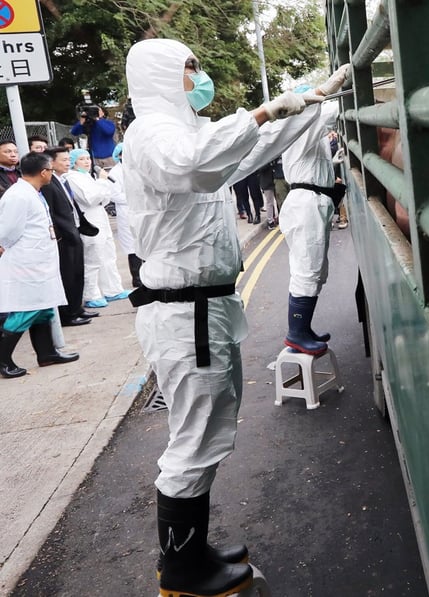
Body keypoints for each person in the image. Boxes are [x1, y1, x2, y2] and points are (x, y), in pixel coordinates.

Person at [122, 38, 348, 596]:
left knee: (211, 429)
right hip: (185, 313)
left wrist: (314, 102)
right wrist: (265, 109)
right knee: (195, 437)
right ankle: (182, 568)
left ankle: (192, 549)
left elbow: (246, 151)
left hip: (204, 308)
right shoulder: (152, 133)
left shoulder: (188, 129)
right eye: (189, 67)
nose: (199, 76)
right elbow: (197, 164)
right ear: (159, 74)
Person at [278, 76, 349, 355]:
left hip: (313, 202)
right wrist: (339, 88)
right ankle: (296, 332)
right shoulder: (299, 125)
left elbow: (311, 164)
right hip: (305, 205)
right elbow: (327, 113)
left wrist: (332, 164)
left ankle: (303, 328)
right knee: (307, 269)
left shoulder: (310, 136)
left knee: (315, 270)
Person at [0, 152, 80, 378]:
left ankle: (46, 354)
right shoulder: (18, 196)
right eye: (51, 170)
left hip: (39, 263)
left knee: (44, 308)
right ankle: (3, 360)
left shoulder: (31, 192)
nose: (51, 174)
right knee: (27, 310)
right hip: (26, 264)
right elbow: (6, 232)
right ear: (44, 172)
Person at [42, 147, 100, 326]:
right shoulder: (49, 184)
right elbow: (51, 212)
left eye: (68, 159)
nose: (67, 163)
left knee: (77, 273)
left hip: (75, 231)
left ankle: (77, 308)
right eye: (64, 160)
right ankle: (68, 314)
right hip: (64, 236)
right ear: (52, 162)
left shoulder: (63, 181)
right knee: (67, 275)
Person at [65, 149, 129, 307]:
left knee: (108, 254)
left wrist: (102, 186)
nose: (87, 162)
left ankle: (113, 289)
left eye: (88, 158)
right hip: (89, 219)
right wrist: (101, 183)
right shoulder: (72, 178)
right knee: (93, 258)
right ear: (74, 162)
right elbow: (91, 198)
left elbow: (105, 197)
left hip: (101, 216)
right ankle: (91, 294)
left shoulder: (88, 176)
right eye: (82, 159)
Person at [107, 143, 143, 287]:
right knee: (132, 247)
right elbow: (115, 194)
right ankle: (137, 277)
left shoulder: (138, 167)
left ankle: (147, 275)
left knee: (145, 242)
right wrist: (135, 198)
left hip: (142, 210)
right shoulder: (115, 172)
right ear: (119, 155)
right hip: (126, 211)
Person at [258, 162, 278, 229]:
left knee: (278, 201)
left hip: (275, 180)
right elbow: (260, 169)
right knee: (270, 203)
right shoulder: (263, 159)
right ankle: (270, 222)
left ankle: (274, 218)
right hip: (266, 183)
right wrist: (269, 163)